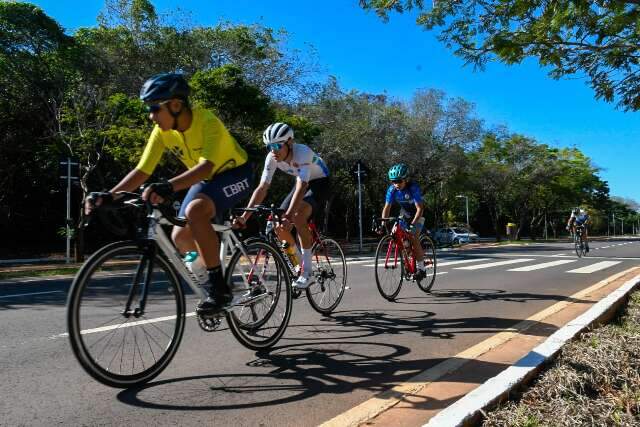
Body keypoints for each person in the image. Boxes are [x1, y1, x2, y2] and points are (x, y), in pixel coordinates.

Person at [85, 73, 252, 315]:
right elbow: (142, 170)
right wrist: (110, 195)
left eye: (154, 108)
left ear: (175, 105)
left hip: (236, 173)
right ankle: (207, 280)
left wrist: (168, 186)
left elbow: (206, 167)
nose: (150, 116)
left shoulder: (207, 121)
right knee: (180, 236)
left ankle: (219, 288)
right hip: (205, 179)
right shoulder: (161, 131)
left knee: (195, 212)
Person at [234, 122, 330, 289]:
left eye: (278, 145)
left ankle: (307, 273)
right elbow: (262, 188)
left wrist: (289, 215)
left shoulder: (302, 153)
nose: (274, 150)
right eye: (270, 146)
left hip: (319, 182)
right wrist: (245, 217)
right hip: (301, 182)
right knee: (278, 226)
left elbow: (302, 186)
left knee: (298, 215)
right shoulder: (271, 158)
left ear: (290, 142)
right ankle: (299, 266)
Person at [380, 163, 428, 281]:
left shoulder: (413, 188)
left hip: (417, 214)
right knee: (397, 235)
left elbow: (420, 208)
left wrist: (412, 224)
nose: (396, 184)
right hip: (405, 215)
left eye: (399, 181)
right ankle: (408, 262)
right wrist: (382, 223)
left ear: (405, 179)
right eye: (393, 181)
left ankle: (422, 269)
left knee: (413, 236)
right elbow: (387, 207)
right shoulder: (392, 190)